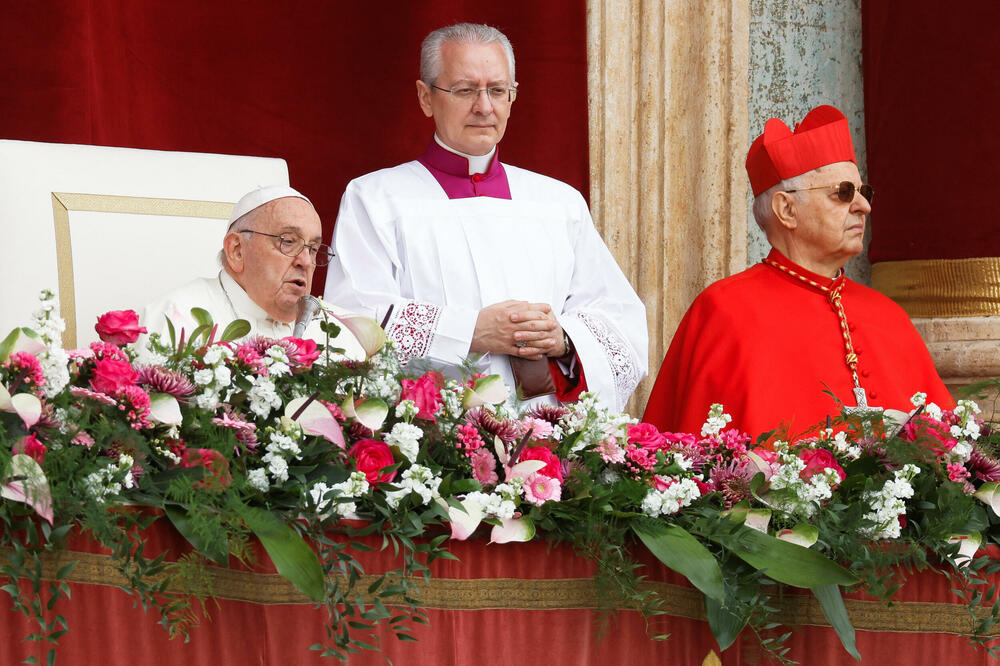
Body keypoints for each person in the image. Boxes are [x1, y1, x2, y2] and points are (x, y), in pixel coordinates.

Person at [323, 23, 647, 411]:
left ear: (512, 97)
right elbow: (353, 322)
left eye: (497, 90)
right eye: (464, 90)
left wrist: (562, 339)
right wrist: (470, 332)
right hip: (433, 441)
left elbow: (620, 324)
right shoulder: (375, 199)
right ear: (426, 98)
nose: (484, 107)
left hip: (545, 441)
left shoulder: (560, 204)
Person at [643, 105, 952, 438]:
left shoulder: (888, 316)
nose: (864, 206)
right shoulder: (725, 311)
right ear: (786, 209)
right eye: (844, 193)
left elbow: (946, 448)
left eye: (864, 192)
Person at [142, 185, 366, 359]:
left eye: (314, 249)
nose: (305, 261)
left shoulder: (340, 332)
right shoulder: (178, 318)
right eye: (288, 241)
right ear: (237, 250)